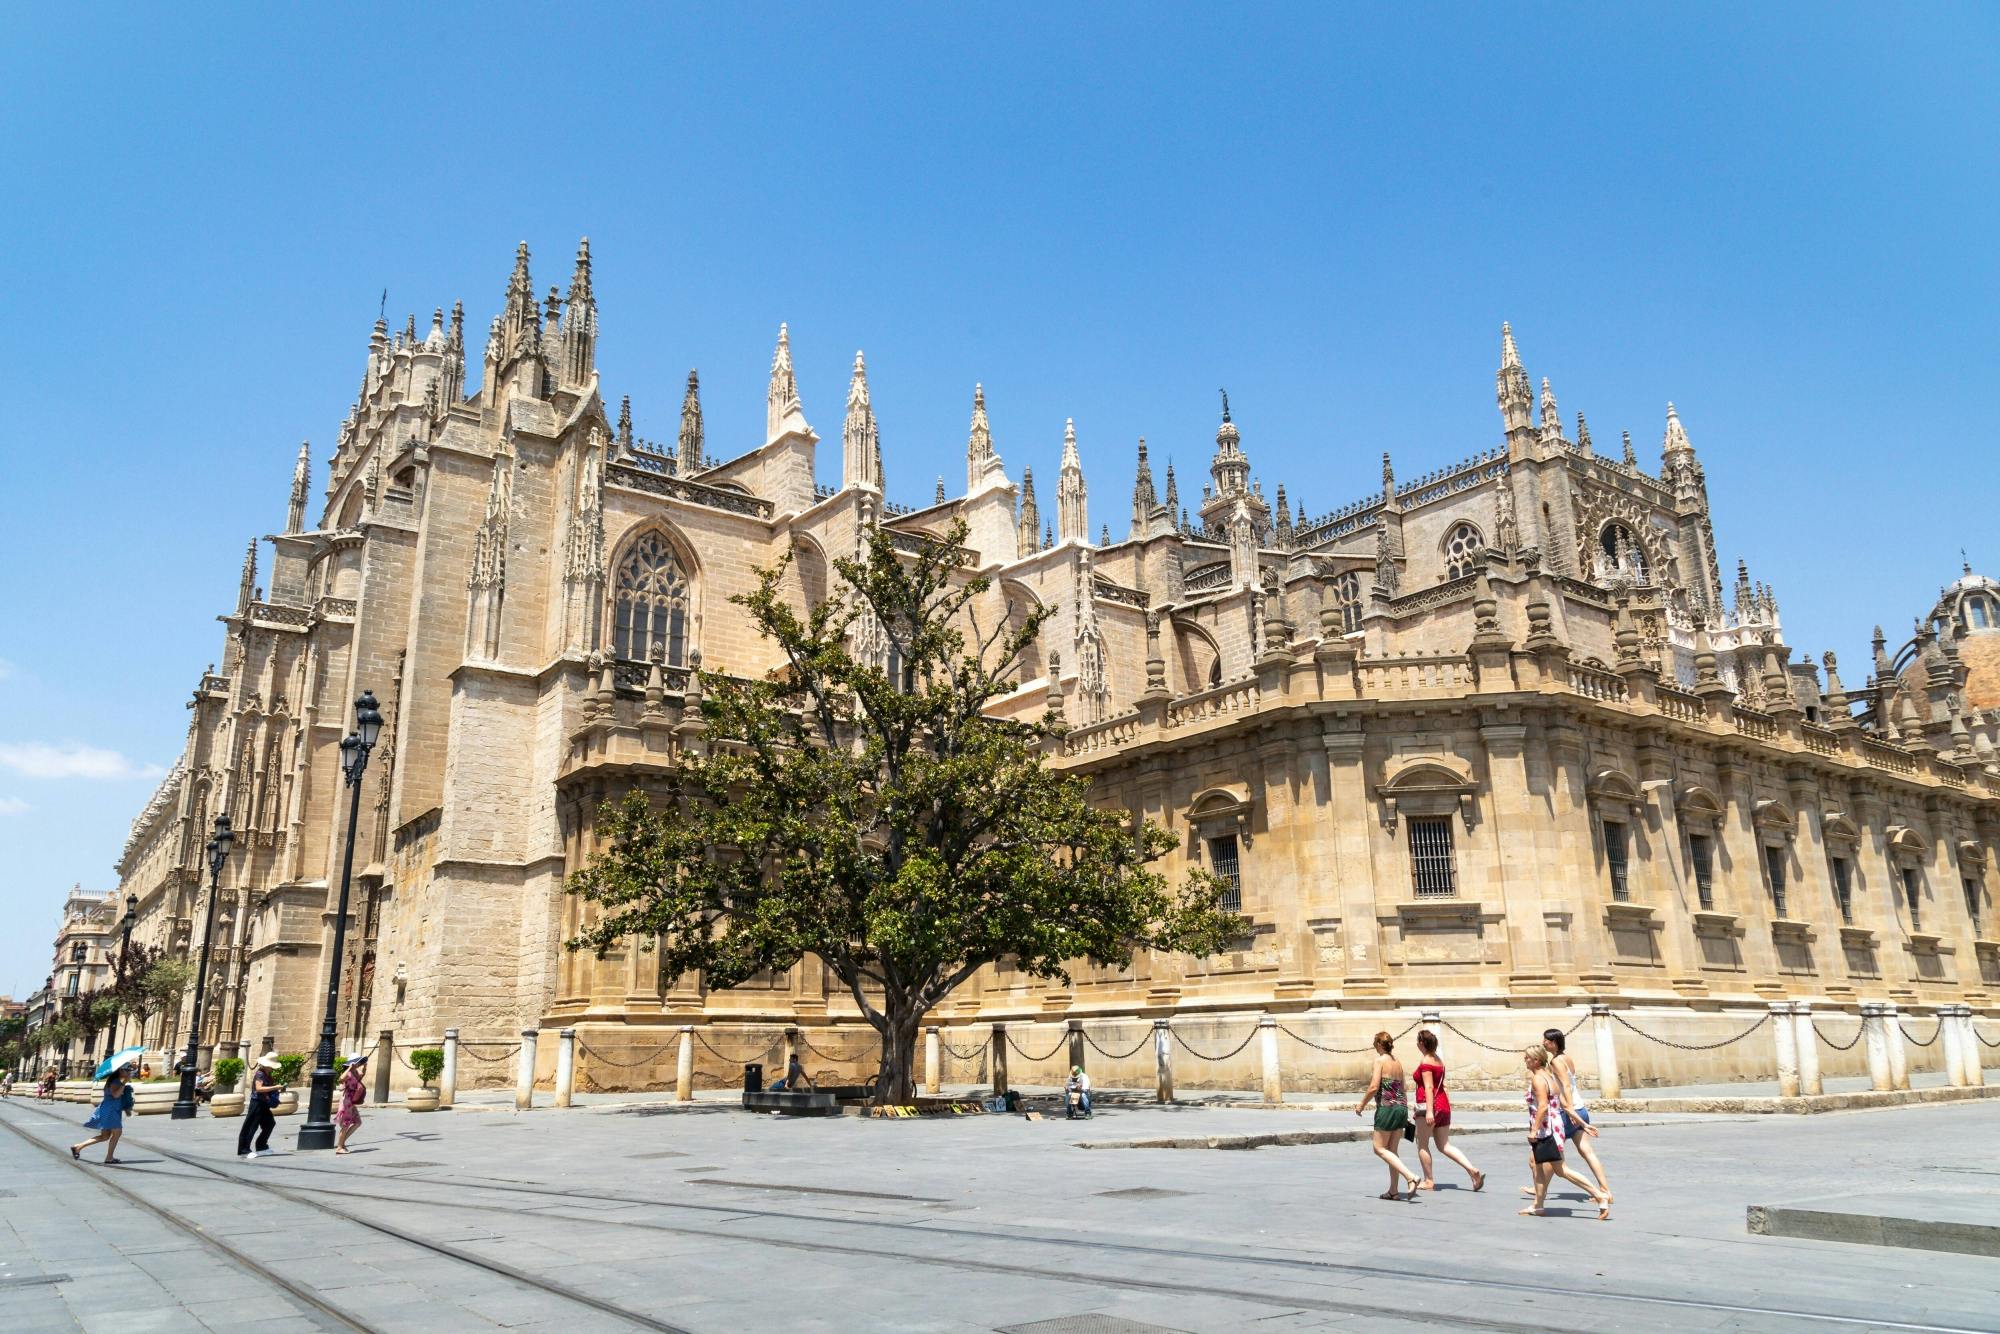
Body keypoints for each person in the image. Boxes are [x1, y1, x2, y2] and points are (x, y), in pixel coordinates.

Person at [1520, 1046, 1609, 1220]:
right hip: (1555, 1126)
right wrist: (1584, 1124)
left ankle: (1599, 1195)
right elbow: (1565, 1105)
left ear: (1536, 1060)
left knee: (1561, 1170)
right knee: (1536, 1165)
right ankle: (1538, 1206)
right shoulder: (1549, 1077)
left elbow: (1543, 1106)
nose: (1525, 1060)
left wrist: (1534, 1130)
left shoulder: (1539, 1079)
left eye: (1527, 1058)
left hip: (1546, 1130)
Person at [1541, 1027, 1611, 1204]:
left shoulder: (1556, 1061)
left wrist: (1569, 1109)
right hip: (1581, 1109)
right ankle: (1606, 1191)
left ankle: (1539, 1191)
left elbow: (1565, 1085)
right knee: (1587, 1152)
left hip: (1568, 1112)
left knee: (1552, 1155)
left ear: (1554, 1043)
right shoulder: (1567, 1058)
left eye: (1546, 1041)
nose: (1543, 1043)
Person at [1410, 1029, 1483, 1192]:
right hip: (1443, 1105)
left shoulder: (1426, 1061)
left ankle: (1429, 1181)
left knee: (1422, 1144)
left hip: (1428, 1106)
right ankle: (1471, 1169)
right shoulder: (1439, 1060)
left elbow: (1428, 1086)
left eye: (1417, 1041)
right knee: (1444, 1145)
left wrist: (1429, 1111)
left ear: (1421, 1043)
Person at [1354, 1031, 1419, 1200]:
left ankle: (1411, 1177)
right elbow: (1403, 1088)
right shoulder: (1398, 1062)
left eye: (1375, 1044)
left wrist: (1361, 1104)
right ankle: (1394, 1191)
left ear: (1378, 1044)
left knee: (1379, 1148)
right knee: (1392, 1151)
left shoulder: (1380, 1061)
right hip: (1401, 1107)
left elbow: (1374, 1087)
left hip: (1387, 1107)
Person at [71, 1065, 135, 1164]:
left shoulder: (114, 1081)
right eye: (127, 1070)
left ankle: (78, 1147)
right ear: (121, 1070)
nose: (129, 1072)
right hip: (110, 1111)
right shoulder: (115, 1082)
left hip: (109, 1109)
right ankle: (109, 1157)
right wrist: (125, 1082)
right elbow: (115, 1095)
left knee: (105, 1136)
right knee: (117, 1132)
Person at [237, 1053, 282, 1160]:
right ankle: (244, 1150)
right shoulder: (260, 1074)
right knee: (251, 1126)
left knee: (270, 1123)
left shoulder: (268, 1075)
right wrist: (275, 1087)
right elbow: (259, 1088)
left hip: (264, 1103)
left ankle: (261, 1146)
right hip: (257, 1102)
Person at [335, 1053, 368, 1154]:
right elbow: (340, 1079)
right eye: (357, 1062)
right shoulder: (348, 1073)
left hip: (352, 1101)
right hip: (346, 1101)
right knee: (345, 1125)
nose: (358, 1064)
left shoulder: (355, 1073)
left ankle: (342, 1142)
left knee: (357, 1122)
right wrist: (349, 1068)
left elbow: (361, 1077)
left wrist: (365, 1067)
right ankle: (339, 1147)